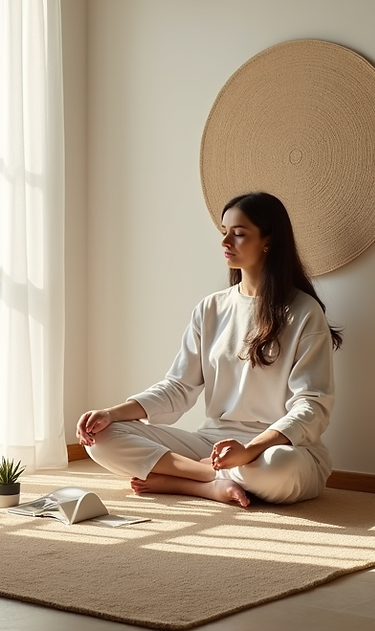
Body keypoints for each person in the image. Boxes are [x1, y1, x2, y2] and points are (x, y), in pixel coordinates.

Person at [76, 191, 342, 506]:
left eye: (239, 234)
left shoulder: (303, 312)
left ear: (268, 242)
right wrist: (110, 413)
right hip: (212, 446)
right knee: (101, 438)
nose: (225, 241)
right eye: (224, 232)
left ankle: (183, 480)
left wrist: (250, 449)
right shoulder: (211, 308)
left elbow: (312, 407)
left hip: (278, 449)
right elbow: (177, 387)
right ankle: (206, 483)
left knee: (277, 468)